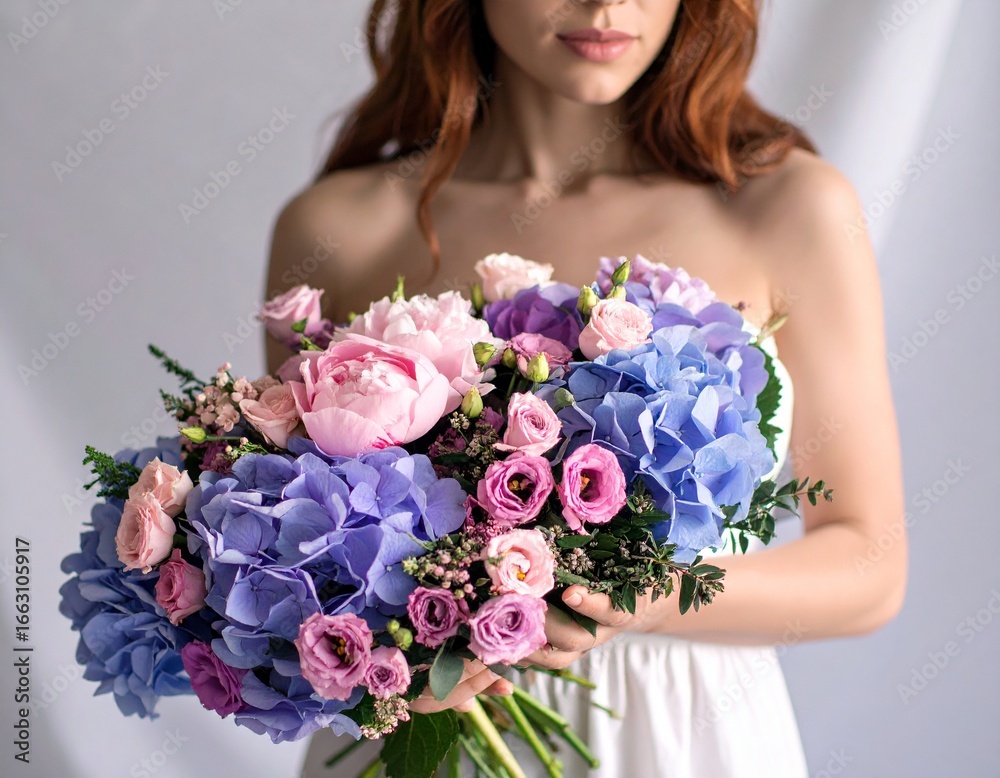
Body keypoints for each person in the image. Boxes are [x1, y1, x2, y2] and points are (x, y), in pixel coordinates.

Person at [265, 2, 907, 775]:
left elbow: (869, 563)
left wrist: (658, 599)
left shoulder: (786, 207)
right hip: (422, 733)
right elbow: (297, 536)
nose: (606, 6)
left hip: (677, 735)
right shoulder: (340, 226)